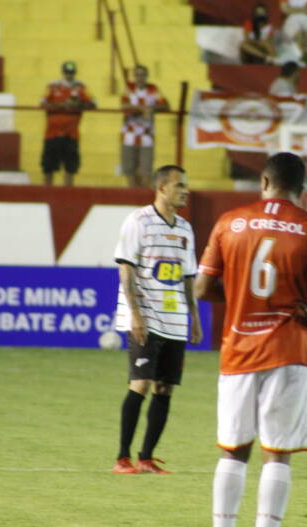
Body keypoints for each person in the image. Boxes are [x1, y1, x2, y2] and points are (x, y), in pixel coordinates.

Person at [194, 152, 307, 527]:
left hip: (238, 351)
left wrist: (239, 294)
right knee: (277, 453)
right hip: (289, 351)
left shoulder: (229, 221)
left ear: (265, 182)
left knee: (234, 451)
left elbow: (202, 288)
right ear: (302, 188)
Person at [111, 165, 203, 475]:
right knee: (140, 383)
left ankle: (146, 458)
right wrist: (135, 313)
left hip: (174, 319)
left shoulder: (185, 229)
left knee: (165, 388)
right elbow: (126, 268)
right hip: (146, 316)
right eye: (179, 185)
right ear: (162, 188)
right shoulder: (138, 221)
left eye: (186, 185)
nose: (186, 191)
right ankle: (122, 458)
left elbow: (188, 277)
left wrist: (194, 317)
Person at [39, 61, 96, 186]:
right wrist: (61, 105)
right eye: (67, 72)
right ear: (62, 72)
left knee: (70, 166)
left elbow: (93, 104)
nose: (69, 75)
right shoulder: (52, 86)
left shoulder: (81, 87)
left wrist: (78, 104)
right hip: (52, 133)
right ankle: (47, 192)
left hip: (71, 133)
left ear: (74, 73)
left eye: (71, 73)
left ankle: (68, 191)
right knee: (48, 166)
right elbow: (42, 103)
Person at [121, 65, 170, 188]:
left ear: (146, 76)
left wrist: (151, 108)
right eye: (137, 75)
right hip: (129, 135)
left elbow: (165, 105)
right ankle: (132, 194)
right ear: (134, 76)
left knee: (146, 170)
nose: (140, 78)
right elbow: (124, 105)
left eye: (142, 75)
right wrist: (143, 109)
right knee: (130, 170)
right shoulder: (129, 88)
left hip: (147, 135)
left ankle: (143, 195)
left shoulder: (153, 89)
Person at [280, 0, 307, 66]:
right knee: (299, 34)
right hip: (292, 18)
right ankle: (305, 53)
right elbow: (285, 10)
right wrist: (305, 10)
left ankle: (305, 54)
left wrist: (295, 10)